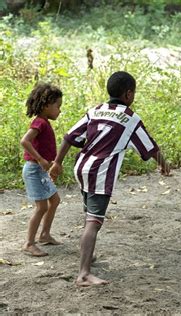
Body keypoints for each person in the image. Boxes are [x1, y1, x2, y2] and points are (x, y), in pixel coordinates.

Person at [50, 71, 170, 286]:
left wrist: (57, 162)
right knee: (94, 222)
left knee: (89, 215)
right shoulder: (131, 119)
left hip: (82, 168)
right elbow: (151, 148)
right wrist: (164, 166)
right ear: (128, 94)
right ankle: (84, 274)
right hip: (100, 173)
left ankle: (88, 254)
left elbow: (69, 137)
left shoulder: (95, 111)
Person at [21, 83, 63, 257]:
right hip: (33, 170)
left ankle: (44, 234)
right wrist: (39, 160)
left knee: (55, 200)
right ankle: (29, 243)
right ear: (46, 105)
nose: (59, 111)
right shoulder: (39, 122)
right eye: (58, 106)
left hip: (40, 171)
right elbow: (25, 141)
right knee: (41, 206)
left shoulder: (44, 122)